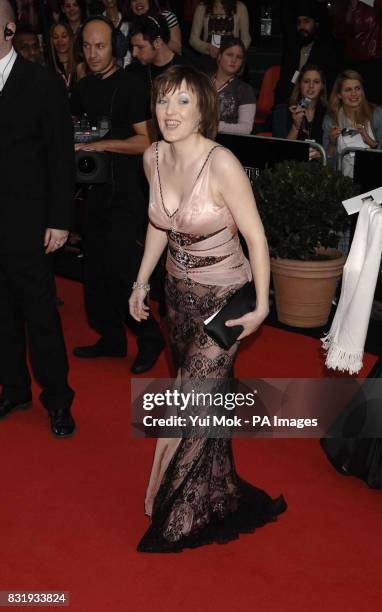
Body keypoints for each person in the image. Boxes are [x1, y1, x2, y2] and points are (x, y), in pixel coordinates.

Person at [129, 65, 286, 552]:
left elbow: (257, 237)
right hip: (178, 294)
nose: (170, 112)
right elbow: (160, 222)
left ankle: (178, 517)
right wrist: (140, 282)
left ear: (202, 111)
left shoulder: (222, 164)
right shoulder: (153, 157)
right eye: (163, 101)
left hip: (226, 297)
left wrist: (262, 305)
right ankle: (214, 491)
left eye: (182, 102)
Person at [70, 16, 165, 373]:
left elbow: (147, 140)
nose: (93, 54)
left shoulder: (131, 86)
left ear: (116, 48)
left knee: (121, 269)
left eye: (101, 46)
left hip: (125, 192)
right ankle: (110, 338)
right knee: (93, 269)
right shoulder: (81, 87)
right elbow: (78, 134)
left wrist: (103, 144)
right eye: (88, 46)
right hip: (92, 190)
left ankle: (149, 335)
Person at [0, 0, 76, 437]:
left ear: (10, 30)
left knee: (41, 315)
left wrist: (60, 219)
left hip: (29, 223)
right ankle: (14, 388)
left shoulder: (42, 83)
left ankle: (58, 400)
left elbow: (61, 159)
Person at [273, 0, 341, 138]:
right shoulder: (292, 49)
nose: (301, 27)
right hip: (290, 103)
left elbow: (329, 85)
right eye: (299, 22)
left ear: (316, 24)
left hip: (318, 104)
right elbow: (284, 82)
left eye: (306, 22)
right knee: (280, 111)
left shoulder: (327, 50)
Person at [323, 69, 382, 178]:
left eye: (357, 88)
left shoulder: (377, 114)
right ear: (339, 95)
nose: (354, 94)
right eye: (348, 90)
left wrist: (370, 142)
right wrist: (331, 143)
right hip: (344, 184)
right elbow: (327, 166)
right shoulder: (330, 120)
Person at [189, 0, 251, 69]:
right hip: (209, 60)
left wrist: (237, 54)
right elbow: (193, 39)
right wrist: (208, 47)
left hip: (232, 61)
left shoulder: (240, 7)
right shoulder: (202, 7)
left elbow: (246, 38)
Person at [213, 36, 255, 134]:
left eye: (239, 57)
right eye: (229, 54)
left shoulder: (245, 90)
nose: (234, 60)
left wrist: (216, 126)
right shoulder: (202, 83)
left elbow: (246, 128)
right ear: (219, 56)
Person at [129, 14, 188, 82]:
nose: (134, 53)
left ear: (157, 43)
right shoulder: (134, 71)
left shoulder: (185, 72)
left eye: (140, 47)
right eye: (132, 47)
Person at [287, 63, 327, 158]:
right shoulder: (285, 110)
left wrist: (322, 154)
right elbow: (282, 150)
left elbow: (331, 153)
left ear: (322, 86)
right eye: (306, 81)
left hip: (319, 168)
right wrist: (295, 126)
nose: (311, 86)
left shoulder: (328, 112)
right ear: (300, 84)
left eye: (316, 82)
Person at [50, 21, 82, 91]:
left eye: (64, 36)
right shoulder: (48, 66)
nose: (60, 40)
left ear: (70, 38)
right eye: (55, 37)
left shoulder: (80, 62)